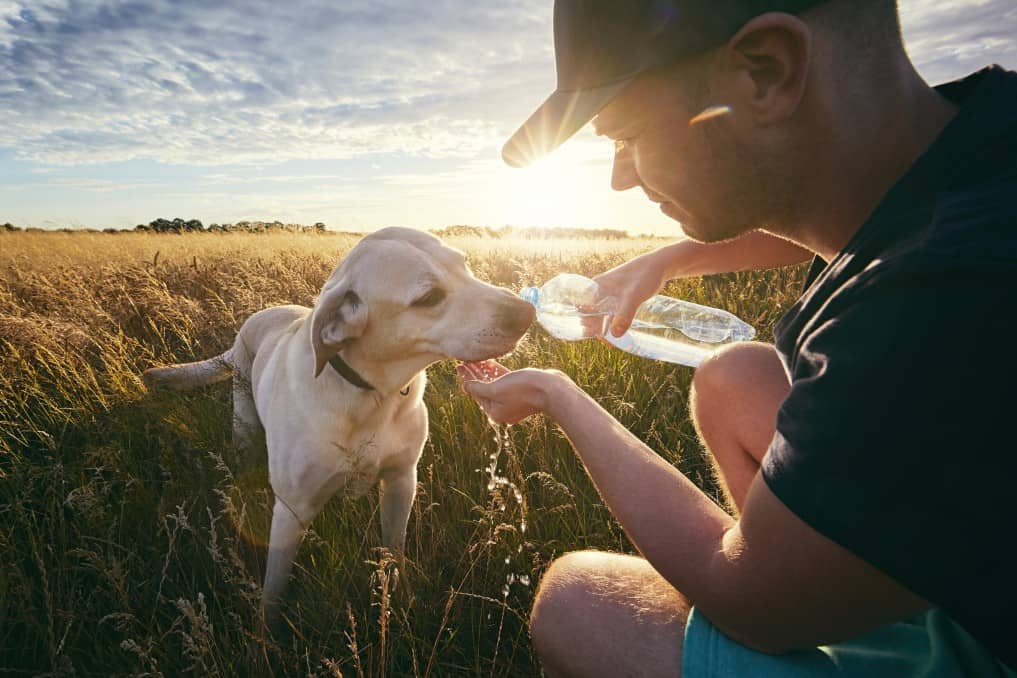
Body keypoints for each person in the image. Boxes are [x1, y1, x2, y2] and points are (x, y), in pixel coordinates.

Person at [457, 0, 1017, 676]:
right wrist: (668, 259)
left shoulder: (938, 296)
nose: (619, 176)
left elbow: (753, 604)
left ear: (764, 72)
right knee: (733, 375)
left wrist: (558, 395)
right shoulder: (978, 141)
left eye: (624, 135)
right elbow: (845, 206)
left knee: (576, 601)